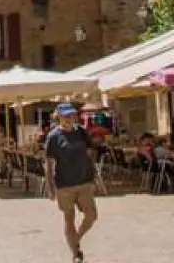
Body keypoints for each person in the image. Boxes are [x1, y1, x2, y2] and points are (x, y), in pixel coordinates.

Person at [44, 102, 99, 263]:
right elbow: (48, 162)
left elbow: (90, 153)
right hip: (64, 184)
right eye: (66, 115)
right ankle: (76, 253)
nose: (70, 118)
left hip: (84, 181)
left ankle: (75, 240)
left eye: (72, 115)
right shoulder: (53, 137)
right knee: (69, 217)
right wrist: (50, 185)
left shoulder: (81, 132)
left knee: (91, 215)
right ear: (59, 117)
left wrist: (93, 176)